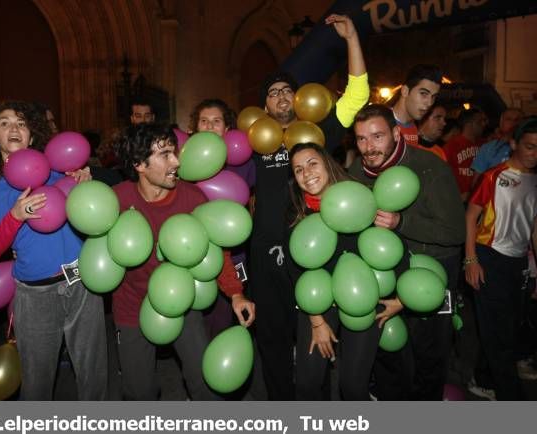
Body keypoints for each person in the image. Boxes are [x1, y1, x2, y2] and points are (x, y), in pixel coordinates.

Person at [250, 14, 369, 400]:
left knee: (313, 340)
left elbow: (355, 96)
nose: (282, 96)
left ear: (299, 99)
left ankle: (315, 407)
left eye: (288, 90)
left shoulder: (317, 136)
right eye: (273, 92)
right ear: (264, 106)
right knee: (272, 341)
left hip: (311, 258)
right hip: (265, 260)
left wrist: (351, 38)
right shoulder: (252, 143)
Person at [0, 100, 107, 400]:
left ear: (32, 135)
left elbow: (95, 220)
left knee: (94, 376)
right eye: (4, 123)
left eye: (21, 123)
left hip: (83, 282)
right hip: (35, 293)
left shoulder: (57, 172)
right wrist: (15, 216)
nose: (14, 128)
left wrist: (85, 186)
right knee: (38, 383)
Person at [111, 122, 255, 400]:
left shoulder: (192, 198)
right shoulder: (117, 199)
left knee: (203, 381)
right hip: (131, 305)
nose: (177, 161)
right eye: (165, 154)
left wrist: (236, 293)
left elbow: (216, 251)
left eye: (174, 152)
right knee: (138, 391)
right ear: (140, 164)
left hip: (182, 300)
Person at [349, 104, 466, 400]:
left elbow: (455, 233)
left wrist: (402, 222)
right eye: (361, 139)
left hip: (431, 274)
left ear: (396, 133)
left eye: (377, 137)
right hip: (385, 274)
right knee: (391, 357)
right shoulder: (355, 172)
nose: (368, 147)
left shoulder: (429, 168)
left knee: (430, 359)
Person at [286, 142, 389, 400]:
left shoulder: (358, 197)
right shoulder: (296, 212)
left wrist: (400, 299)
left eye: (312, 164)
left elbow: (387, 246)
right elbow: (297, 270)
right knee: (307, 384)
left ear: (327, 163)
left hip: (361, 296)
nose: (306, 173)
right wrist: (317, 321)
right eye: (298, 170)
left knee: (353, 387)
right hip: (318, 304)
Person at [464, 117, 537, 400]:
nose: (534, 154)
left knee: (506, 326)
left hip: (517, 262)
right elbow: (470, 216)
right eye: (529, 146)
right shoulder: (494, 175)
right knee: (502, 335)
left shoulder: (535, 180)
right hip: (489, 256)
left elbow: (533, 230)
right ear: (514, 144)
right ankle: (513, 399)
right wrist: (471, 261)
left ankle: (482, 379)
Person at [188, 98, 256, 338]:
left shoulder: (243, 160)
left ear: (227, 128)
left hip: (234, 251)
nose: (209, 126)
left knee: (225, 315)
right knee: (196, 320)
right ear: (195, 128)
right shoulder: (183, 163)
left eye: (216, 122)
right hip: (193, 252)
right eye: (203, 121)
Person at [391, 64, 442, 150]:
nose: (429, 103)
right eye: (423, 94)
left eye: (433, 97)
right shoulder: (382, 123)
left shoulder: (414, 128)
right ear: (405, 91)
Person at [470, 108, 524, 188]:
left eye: (517, 120)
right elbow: (476, 183)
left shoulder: (529, 148)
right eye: (508, 119)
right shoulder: (487, 148)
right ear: (501, 123)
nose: (513, 123)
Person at [444, 107, 488, 201]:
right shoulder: (451, 145)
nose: (484, 124)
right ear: (469, 124)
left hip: (480, 199)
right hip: (459, 200)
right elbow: (444, 175)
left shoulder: (485, 145)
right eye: (480, 121)